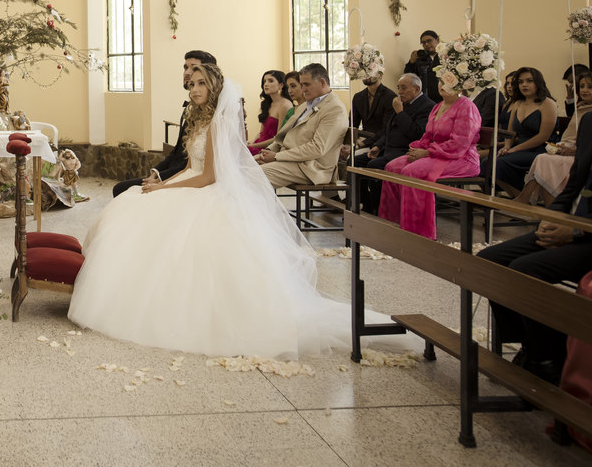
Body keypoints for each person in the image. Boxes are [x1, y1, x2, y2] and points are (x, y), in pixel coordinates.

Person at [69, 64, 414, 359]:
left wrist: (165, 189)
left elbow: (208, 176)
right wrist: (161, 179)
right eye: (193, 83)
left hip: (209, 188)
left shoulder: (220, 122)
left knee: (150, 212)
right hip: (190, 181)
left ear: (215, 87)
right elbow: (190, 165)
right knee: (132, 201)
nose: (195, 87)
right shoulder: (198, 119)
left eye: (202, 83)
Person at [479, 110, 592, 384]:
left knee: (526, 269)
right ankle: (532, 345)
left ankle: (548, 359)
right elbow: (575, 183)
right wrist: (552, 216)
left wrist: (577, 230)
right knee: (488, 260)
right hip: (571, 222)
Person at [379, 81, 481, 239]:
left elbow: (459, 143)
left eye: (449, 81)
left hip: (460, 158)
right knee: (392, 167)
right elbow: (428, 135)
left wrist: (426, 153)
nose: (442, 85)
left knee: (412, 172)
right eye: (441, 81)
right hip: (434, 152)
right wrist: (417, 149)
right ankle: (393, 221)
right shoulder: (438, 106)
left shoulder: (467, 107)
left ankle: (416, 230)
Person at [111, 50, 217, 197]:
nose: (187, 72)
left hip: (194, 181)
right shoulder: (195, 112)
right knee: (124, 191)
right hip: (180, 174)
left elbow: (203, 172)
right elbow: (178, 153)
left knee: (125, 192)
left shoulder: (215, 122)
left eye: (192, 68)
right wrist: (157, 174)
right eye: (185, 67)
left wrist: (162, 183)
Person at [254, 63, 348, 190]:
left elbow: (317, 148)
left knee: (252, 176)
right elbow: (282, 136)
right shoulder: (305, 105)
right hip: (289, 160)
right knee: (240, 167)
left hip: (310, 167)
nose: (302, 89)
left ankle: (263, 209)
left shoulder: (334, 109)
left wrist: (276, 157)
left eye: (306, 84)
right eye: (302, 84)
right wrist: (266, 153)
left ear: (322, 82)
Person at [352, 73, 435, 215]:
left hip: (404, 152)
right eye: (398, 88)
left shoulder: (427, 106)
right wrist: (378, 146)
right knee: (354, 162)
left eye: (403, 88)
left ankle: (378, 209)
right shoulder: (403, 104)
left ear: (416, 89)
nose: (400, 92)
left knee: (373, 166)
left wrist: (400, 113)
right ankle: (365, 204)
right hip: (387, 150)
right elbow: (388, 131)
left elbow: (416, 133)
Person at [516, 72, 592, 206]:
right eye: (582, 86)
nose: (584, 90)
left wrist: (575, 150)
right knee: (544, 159)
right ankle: (546, 210)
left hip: (584, 156)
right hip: (567, 149)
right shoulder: (580, 107)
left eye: (590, 87)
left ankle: (528, 200)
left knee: (544, 160)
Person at [492, 67, 558, 196]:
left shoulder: (547, 104)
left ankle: (523, 200)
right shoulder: (517, 103)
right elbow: (510, 133)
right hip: (519, 148)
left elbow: (543, 136)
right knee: (487, 163)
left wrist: (515, 149)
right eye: (521, 82)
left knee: (499, 163)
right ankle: (520, 197)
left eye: (529, 81)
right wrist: (506, 147)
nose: (524, 85)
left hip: (541, 150)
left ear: (538, 82)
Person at [350, 74, 397, 152]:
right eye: (364, 71)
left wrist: (361, 144)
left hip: (381, 142)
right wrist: (349, 144)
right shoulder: (358, 97)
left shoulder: (390, 97)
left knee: (353, 157)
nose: (366, 75)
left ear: (380, 75)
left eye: (370, 72)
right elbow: (352, 125)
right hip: (362, 137)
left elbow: (386, 129)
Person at [248, 69, 290, 154]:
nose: (266, 84)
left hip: (269, 149)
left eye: (270, 81)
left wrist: (253, 146)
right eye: (264, 81)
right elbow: (261, 132)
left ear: (281, 85)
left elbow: (278, 138)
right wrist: (252, 141)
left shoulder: (285, 105)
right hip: (258, 144)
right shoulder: (267, 104)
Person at [404, 30, 442, 102]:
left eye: (429, 41)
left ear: (437, 40)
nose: (426, 44)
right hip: (424, 100)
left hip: (442, 99)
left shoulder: (445, 56)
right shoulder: (420, 59)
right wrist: (411, 62)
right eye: (423, 43)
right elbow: (408, 77)